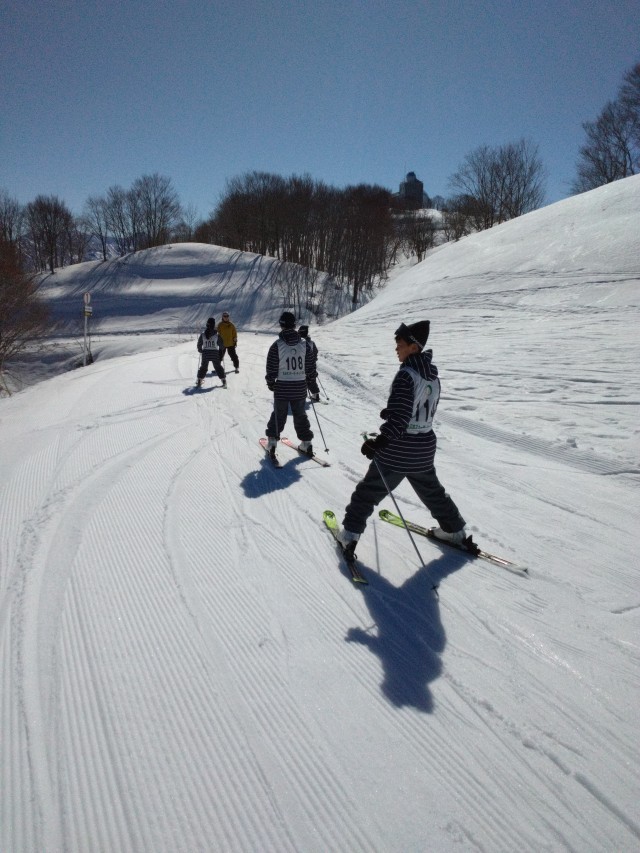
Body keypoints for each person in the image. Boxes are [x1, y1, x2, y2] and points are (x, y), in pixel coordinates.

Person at [338, 320, 467, 556]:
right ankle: (455, 531)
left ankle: (349, 535)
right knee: (432, 492)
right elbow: (416, 408)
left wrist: (379, 442)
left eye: (400, 344)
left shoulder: (406, 376)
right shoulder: (433, 377)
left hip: (399, 450)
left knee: (367, 493)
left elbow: (400, 419)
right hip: (424, 447)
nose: (396, 349)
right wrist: (392, 414)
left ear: (413, 347)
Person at [264, 311, 317, 457]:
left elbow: (271, 367)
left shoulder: (277, 345)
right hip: (300, 386)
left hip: (282, 387)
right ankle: (306, 442)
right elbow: (310, 365)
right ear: (294, 325)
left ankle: (272, 442)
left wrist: (270, 382)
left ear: (281, 325)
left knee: (279, 414)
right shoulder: (304, 344)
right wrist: (310, 378)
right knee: (300, 414)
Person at [196, 317, 226, 388]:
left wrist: (200, 350)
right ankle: (223, 380)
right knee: (218, 367)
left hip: (205, 353)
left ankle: (199, 380)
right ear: (214, 324)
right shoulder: (217, 334)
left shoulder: (203, 334)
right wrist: (221, 349)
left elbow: (199, 344)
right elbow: (221, 345)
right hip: (214, 353)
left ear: (207, 324)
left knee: (203, 367)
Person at [298, 324, 320, 402]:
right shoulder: (311, 342)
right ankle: (315, 394)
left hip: (301, 365)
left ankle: (300, 396)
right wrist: (314, 360)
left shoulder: (298, 342)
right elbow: (315, 352)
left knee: (300, 380)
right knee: (311, 379)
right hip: (311, 365)